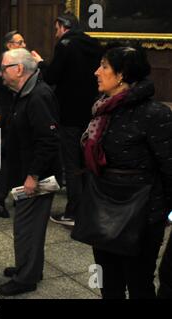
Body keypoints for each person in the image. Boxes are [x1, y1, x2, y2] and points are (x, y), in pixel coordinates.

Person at [81, 46, 172, 299]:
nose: (97, 71)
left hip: (141, 217)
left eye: (104, 66)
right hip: (103, 209)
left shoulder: (155, 114)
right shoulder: (102, 109)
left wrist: (165, 213)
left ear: (121, 74)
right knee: (108, 284)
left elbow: (169, 168)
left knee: (139, 284)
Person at [0, 48, 61, 296]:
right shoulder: (23, 92)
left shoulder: (38, 96)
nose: (0, 73)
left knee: (27, 228)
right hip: (25, 171)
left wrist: (33, 175)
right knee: (28, 227)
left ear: (19, 69)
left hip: (36, 176)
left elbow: (48, 141)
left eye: (4, 68)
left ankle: (26, 279)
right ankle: (29, 268)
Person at [31, 13, 102, 226]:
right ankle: (88, 208)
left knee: (70, 164)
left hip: (69, 113)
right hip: (90, 113)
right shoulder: (94, 43)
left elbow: (53, 77)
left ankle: (72, 212)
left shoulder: (65, 43)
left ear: (63, 26)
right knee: (87, 162)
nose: (56, 34)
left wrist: (41, 63)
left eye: (56, 29)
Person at [0, 30, 27, 219]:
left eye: (23, 42)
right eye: (19, 42)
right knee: (7, 160)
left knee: (22, 158)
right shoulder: (2, 66)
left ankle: (19, 196)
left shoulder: (24, 64)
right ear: (9, 45)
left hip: (23, 115)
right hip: (9, 117)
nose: (23, 45)